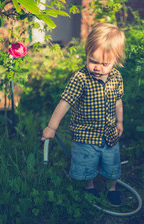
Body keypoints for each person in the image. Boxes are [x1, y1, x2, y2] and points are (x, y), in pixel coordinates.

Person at [41, 23, 125, 207]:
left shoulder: (117, 77)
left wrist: (120, 121)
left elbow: (118, 101)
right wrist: (51, 127)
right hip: (85, 135)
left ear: (115, 60)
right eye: (93, 61)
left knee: (112, 164)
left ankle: (111, 188)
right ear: (87, 53)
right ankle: (89, 186)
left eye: (105, 64)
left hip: (109, 133)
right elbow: (65, 103)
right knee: (86, 164)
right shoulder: (80, 78)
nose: (97, 68)